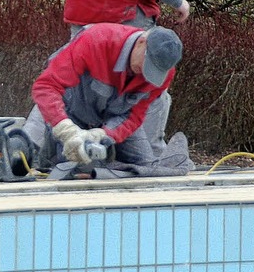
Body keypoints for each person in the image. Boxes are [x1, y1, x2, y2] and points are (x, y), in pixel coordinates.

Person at [27, 22, 183, 169]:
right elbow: (46, 87)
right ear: (141, 42)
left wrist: (104, 134)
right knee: (77, 169)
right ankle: (50, 157)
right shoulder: (96, 40)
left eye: (153, 70)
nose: (145, 72)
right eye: (147, 63)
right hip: (72, 115)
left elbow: (135, 116)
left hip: (115, 118)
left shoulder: (162, 73)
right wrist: (65, 130)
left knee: (146, 167)